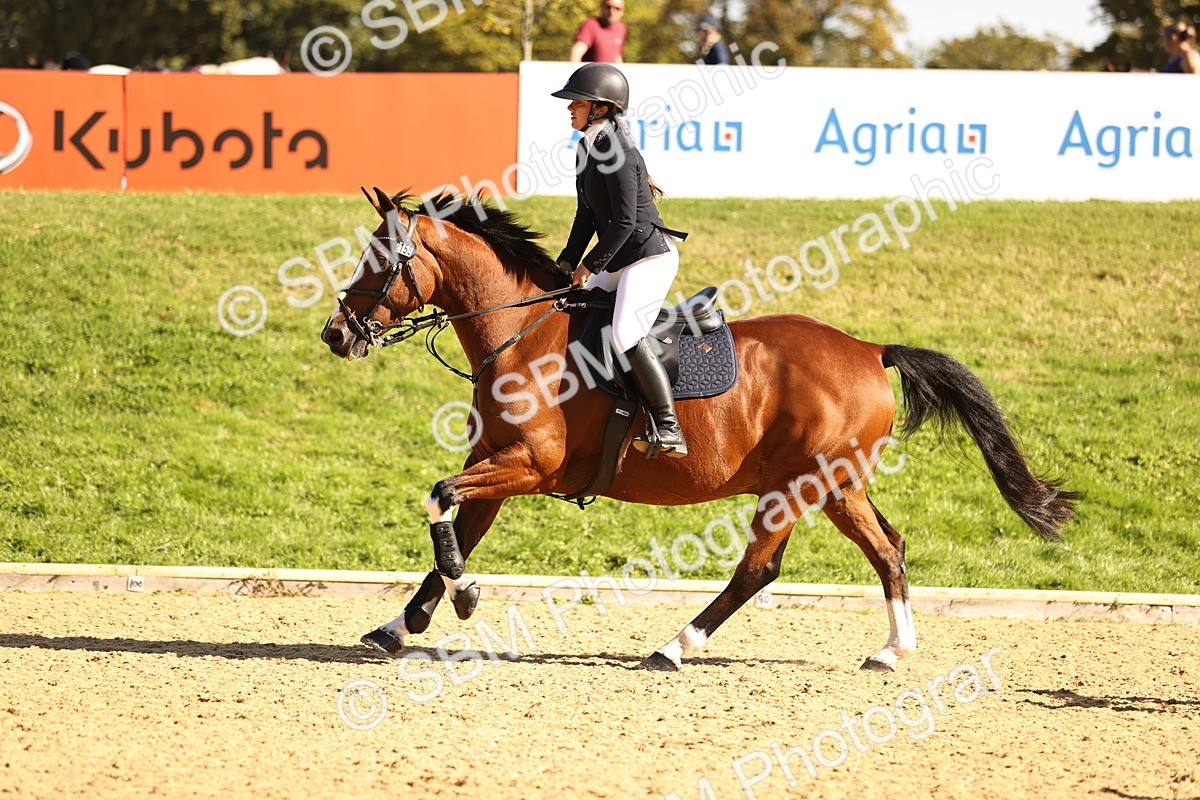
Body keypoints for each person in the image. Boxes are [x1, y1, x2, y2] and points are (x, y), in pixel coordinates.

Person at [551, 64, 691, 458]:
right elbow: (586, 215)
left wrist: (589, 267)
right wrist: (565, 263)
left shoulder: (621, 152)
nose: (569, 109)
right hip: (618, 256)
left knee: (625, 334)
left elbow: (626, 223)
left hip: (647, 258)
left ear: (601, 108)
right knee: (570, 308)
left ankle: (668, 427)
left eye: (576, 102)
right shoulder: (587, 147)